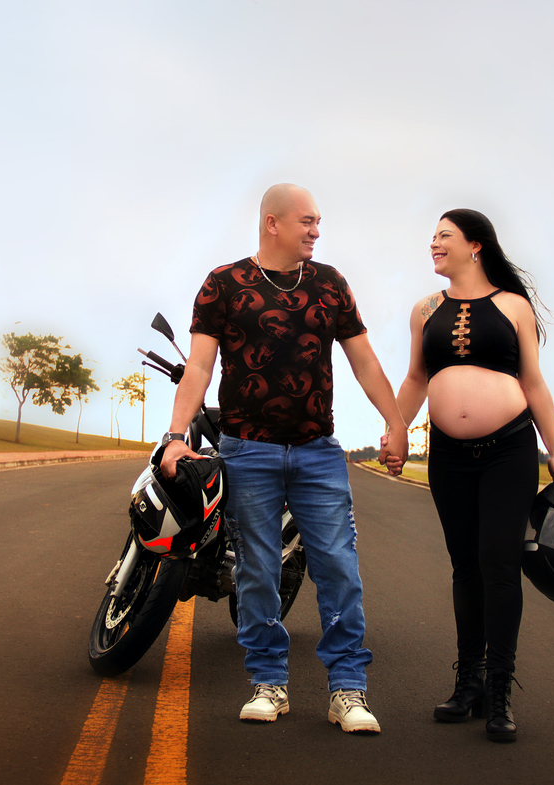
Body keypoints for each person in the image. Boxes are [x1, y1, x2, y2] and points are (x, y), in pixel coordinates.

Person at [160, 183, 408, 734]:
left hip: (319, 453)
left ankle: (348, 691)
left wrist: (396, 421)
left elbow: (364, 361)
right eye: (308, 221)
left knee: (339, 568)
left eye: (319, 222)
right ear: (273, 223)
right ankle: (268, 682)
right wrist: (177, 435)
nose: (317, 231)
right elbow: (199, 368)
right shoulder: (223, 284)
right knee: (257, 571)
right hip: (247, 451)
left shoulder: (329, 284)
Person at [389, 208, 554, 743]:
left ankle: (499, 689)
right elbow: (417, 376)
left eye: (444, 236)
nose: (434, 245)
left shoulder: (514, 306)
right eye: (432, 237)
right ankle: (467, 682)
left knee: (498, 564)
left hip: (509, 450)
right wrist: (395, 430)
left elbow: (533, 382)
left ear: (476, 246)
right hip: (447, 454)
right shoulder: (424, 309)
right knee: (464, 565)